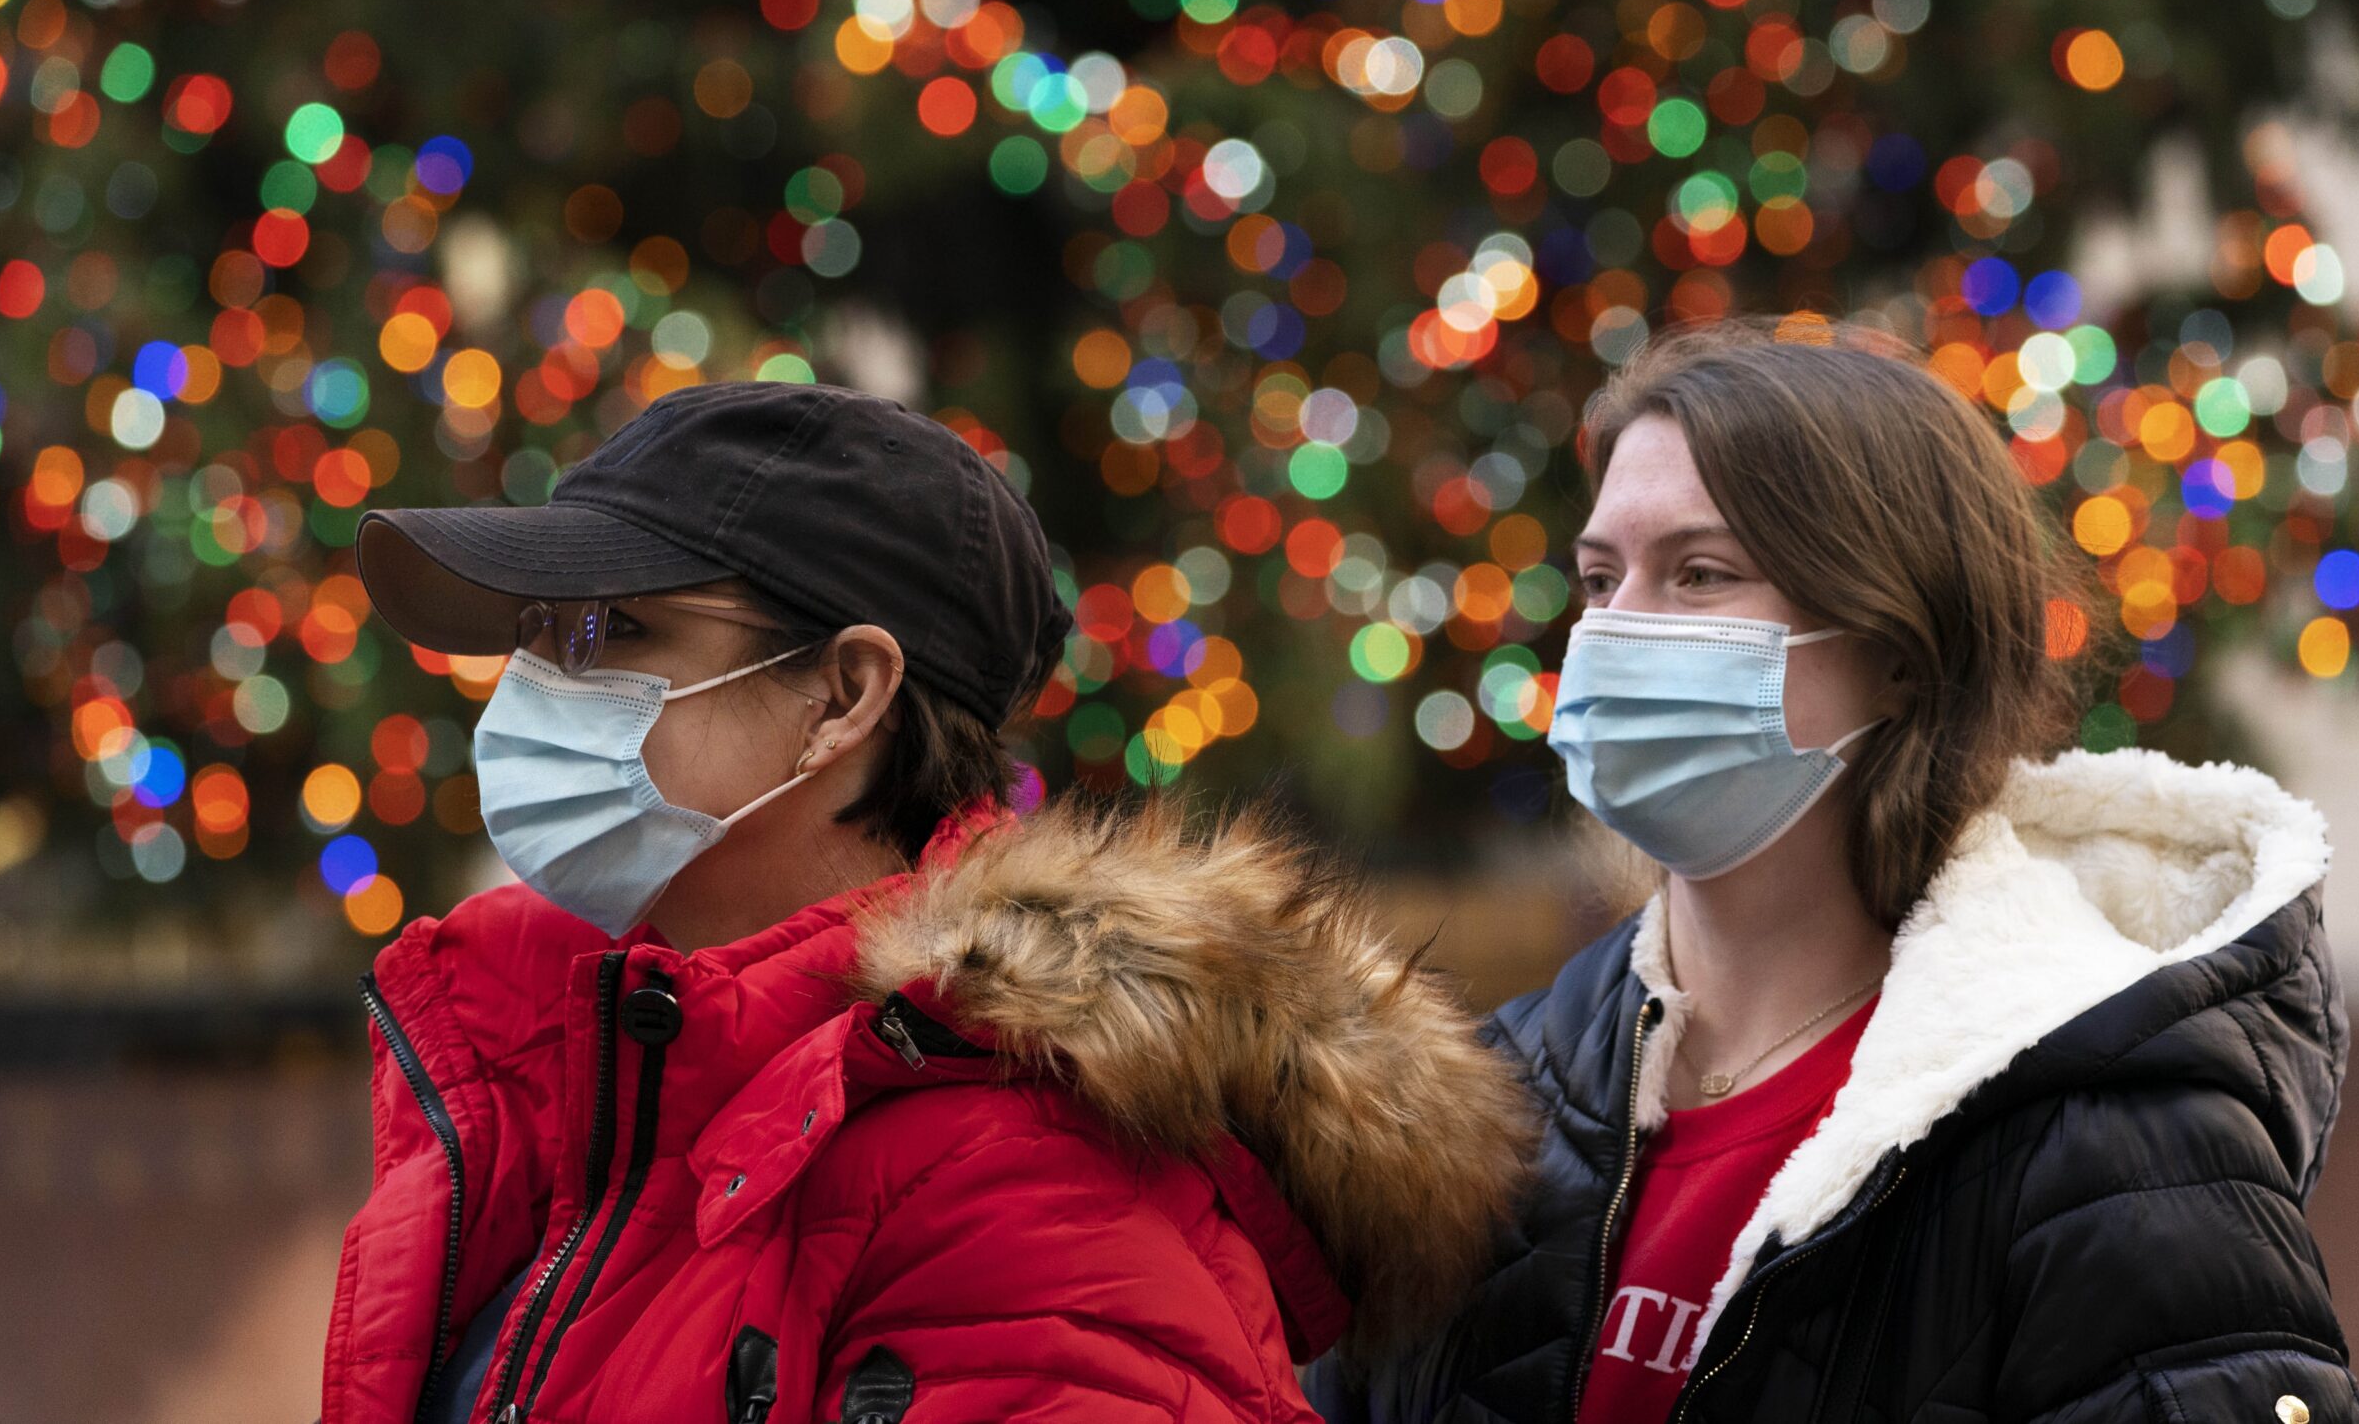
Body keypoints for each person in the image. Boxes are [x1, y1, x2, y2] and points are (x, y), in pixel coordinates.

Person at [322, 379, 1534, 1424]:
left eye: (614, 628)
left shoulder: (1033, 1209)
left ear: (844, 696)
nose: (535, 684)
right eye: (538, 633)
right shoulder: (581, 1078)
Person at [1308, 318, 2359, 1424]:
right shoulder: (1485, 1107)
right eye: (1599, 578)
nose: (1615, 634)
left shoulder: (2109, 1137)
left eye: (1699, 573)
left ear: (1900, 649)